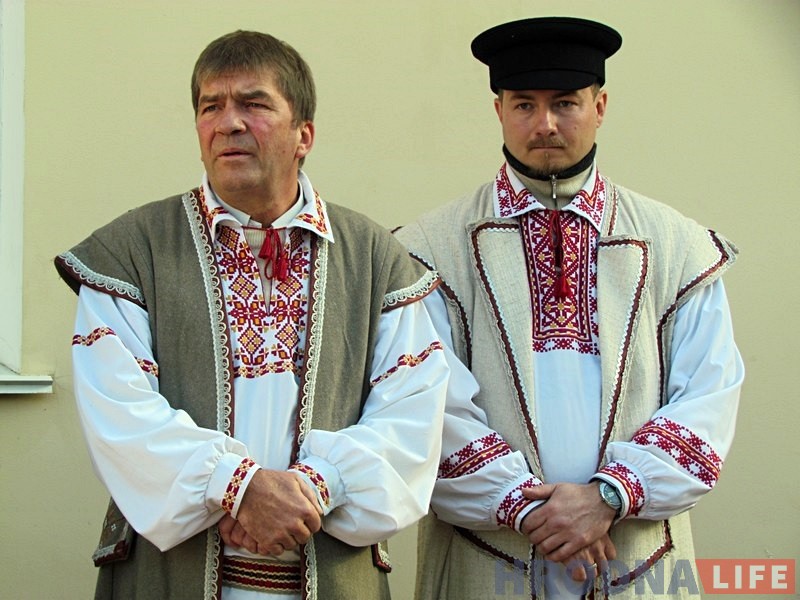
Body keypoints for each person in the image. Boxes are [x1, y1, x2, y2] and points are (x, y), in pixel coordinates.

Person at [55, 30, 451, 600]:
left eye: (254, 103)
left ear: (304, 135)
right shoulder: (132, 251)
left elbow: (412, 414)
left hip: (331, 578)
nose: (228, 123)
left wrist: (315, 487)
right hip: (170, 579)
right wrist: (237, 487)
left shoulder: (374, 258)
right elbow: (118, 410)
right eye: (210, 106)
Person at [396, 16, 744, 599]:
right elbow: (423, 404)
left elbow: (709, 396)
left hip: (638, 563)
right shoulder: (429, 251)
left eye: (565, 103)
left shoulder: (678, 247)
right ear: (499, 110)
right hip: (488, 565)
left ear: (600, 106)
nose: (545, 124)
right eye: (524, 105)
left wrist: (607, 496)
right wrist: (534, 511)